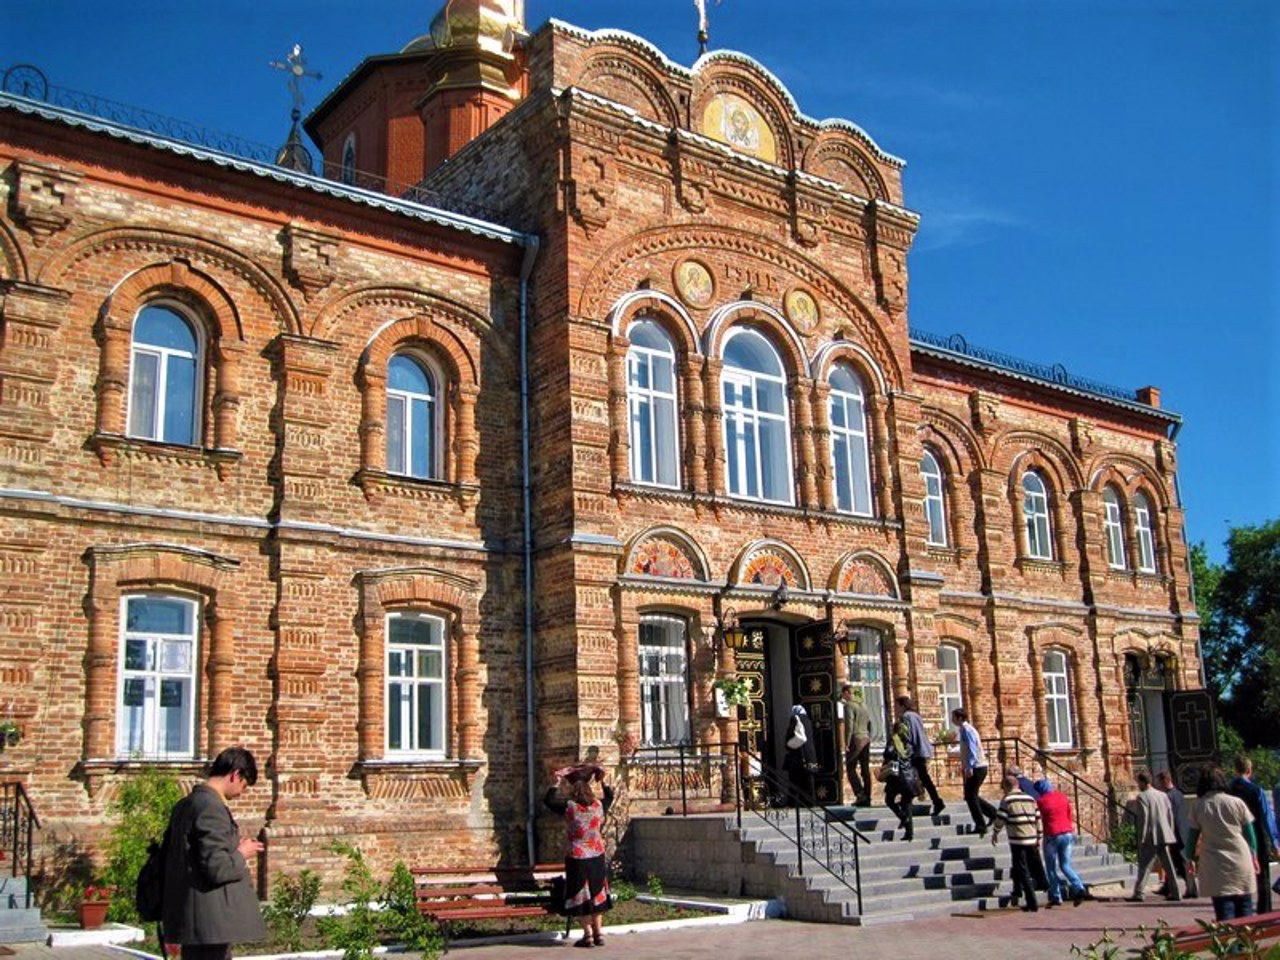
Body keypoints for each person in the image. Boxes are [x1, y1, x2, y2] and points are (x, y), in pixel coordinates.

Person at [160, 746, 267, 960]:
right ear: (235, 775)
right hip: (210, 920)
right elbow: (217, 868)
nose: (240, 794)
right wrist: (242, 853)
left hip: (194, 918)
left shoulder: (186, 804)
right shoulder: (211, 807)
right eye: (243, 787)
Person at [544, 765, 614, 947]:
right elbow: (610, 797)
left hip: (577, 856)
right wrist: (603, 781)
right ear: (590, 790)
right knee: (598, 893)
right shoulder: (598, 806)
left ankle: (588, 935)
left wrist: (556, 783)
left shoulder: (570, 808)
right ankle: (599, 933)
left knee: (580, 895)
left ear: (574, 792)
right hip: (597, 855)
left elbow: (549, 801)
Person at [1186, 765, 1260, 921]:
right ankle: (1246, 945)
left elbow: (1192, 837)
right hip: (1241, 860)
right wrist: (1254, 856)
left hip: (1215, 865)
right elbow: (1250, 835)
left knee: (1225, 916)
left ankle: (1230, 946)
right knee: (1246, 913)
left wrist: (1190, 859)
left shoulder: (1199, 806)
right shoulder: (1236, 802)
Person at [991, 773, 1046, 912]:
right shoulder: (1030, 799)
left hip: (1017, 839)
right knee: (1021, 866)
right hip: (1032, 837)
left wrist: (995, 832)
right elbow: (1038, 818)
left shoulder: (1008, 799)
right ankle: (1018, 890)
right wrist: (1039, 835)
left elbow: (1001, 818)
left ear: (1006, 787)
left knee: (1023, 869)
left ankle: (1031, 901)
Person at [1228, 755, 1276, 913]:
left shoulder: (1228, 791)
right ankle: (1265, 910)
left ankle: (1238, 909)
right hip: (1257, 834)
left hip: (1235, 836)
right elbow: (1266, 817)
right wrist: (1275, 841)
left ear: (1235, 770)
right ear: (1249, 770)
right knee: (1262, 877)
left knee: (1237, 876)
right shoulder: (1257, 791)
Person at [1127, 771, 1182, 902]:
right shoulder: (1162, 795)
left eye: (1138, 782)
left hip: (1151, 835)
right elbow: (1170, 815)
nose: (1137, 784)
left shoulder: (1142, 797)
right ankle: (1176, 892)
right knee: (1169, 865)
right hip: (1164, 833)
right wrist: (1170, 831)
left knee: (1145, 865)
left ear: (1142, 782)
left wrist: (1141, 838)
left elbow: (1143, 820)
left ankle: (1139, 893)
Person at [1034, 779, 1087, 907]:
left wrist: (1039, 835)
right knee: (1065, 865)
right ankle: (1079, 886)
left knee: (1051, 867)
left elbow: (1041, 819)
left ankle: (1056, 896)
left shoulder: (1040, 801)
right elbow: (1069, 813)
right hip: (1067, 832)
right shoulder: (1062, 797)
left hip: (1052, 834)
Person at [895, 695, 944, 816]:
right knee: (921, 777)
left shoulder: (906, 716)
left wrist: (905, 750)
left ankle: (936, 801)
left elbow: (908, 735)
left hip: (915, 751)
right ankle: (934, 800)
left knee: (913, 776)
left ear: (902, 705)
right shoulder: (916, 715)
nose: (896, 709)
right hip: (923, 749)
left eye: (897, 706)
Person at [952, 709, 998, 836]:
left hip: (977, 767)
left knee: (970, 796)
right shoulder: (964, 730)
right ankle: (993, 813)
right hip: (977, 766)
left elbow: (973, 748)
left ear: (960, 718)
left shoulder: (967, 730)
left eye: (954, 717)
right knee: (970, 795)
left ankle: (981, 825)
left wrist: (969, 767)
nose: (952, 720)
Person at [1156, 770, 1194, 898]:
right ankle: (1168, 887)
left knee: (1178, 863)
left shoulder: (1168, 796)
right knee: (1174, 861)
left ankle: (1190, 889)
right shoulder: (1179, 794)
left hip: (1174, 833)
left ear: (1165, 781)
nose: (1159, 786)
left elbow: (1169, 816)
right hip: (1183, 830)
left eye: (1160, 783)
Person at [880, 713, 918, 841]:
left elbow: (888, 755)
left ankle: (903, 818)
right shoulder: (909, 743)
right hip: (910, 776)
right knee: (907, 804)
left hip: (898, 775)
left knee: (889, 799)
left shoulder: (894, 741)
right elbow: (912, 758)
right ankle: (909, 832)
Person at [839, 685, 873, 806]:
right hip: (866, 739)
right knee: (865, 769)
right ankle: (868, 796)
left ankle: (860, 793)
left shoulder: (849, 705)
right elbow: (869, 722)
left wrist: (846, 743)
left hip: (856, 739)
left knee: (850, 768)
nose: (843, 697)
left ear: (847, 692)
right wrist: (869, 736)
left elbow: (849, 725)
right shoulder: (864, 705)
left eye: (843, 694)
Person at [783, 704, 818, 806]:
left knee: (795, 778)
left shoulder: (795, 719)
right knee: (808, 778)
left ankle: (795, 801)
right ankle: (810, 800)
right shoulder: (808, 720)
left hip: (798, 753)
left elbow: (792, 735)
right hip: (810, 753)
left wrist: (787, 745)